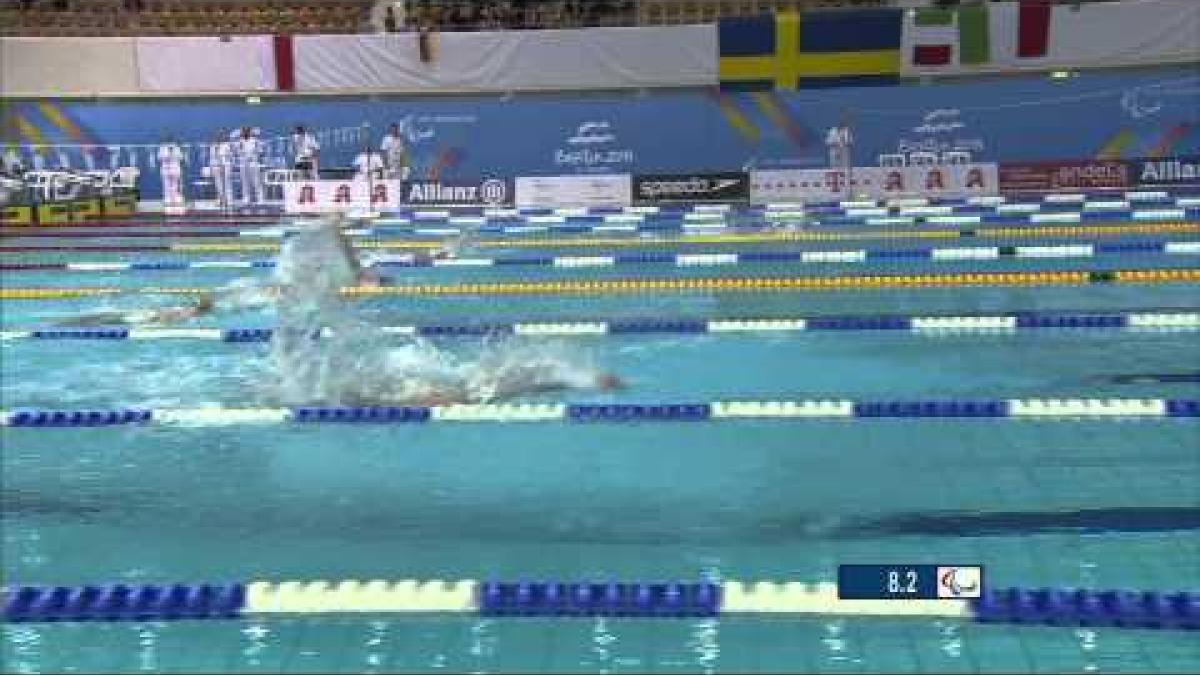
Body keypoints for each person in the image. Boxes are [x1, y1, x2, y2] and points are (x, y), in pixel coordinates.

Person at [57, 295, 216, 328]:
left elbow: (163, 321)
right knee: (101, 318)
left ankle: (63, 324)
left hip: (141, 318)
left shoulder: (187, 314)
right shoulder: (188, 311)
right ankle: (64, 323)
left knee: (102, 321)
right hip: (141, 315)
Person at [235, 126, 264, 206]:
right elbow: (237, 152)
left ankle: (260, 198)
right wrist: (240, 148)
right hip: (243, 163)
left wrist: (255, 155)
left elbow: (261, 151)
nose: (245, 133)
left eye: (246, 131)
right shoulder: (239, 142)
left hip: (253, 163)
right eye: (243, 132)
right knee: (245, 181)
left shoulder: (255, 141)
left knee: (256, 181)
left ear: (250, 132)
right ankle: (246, 198)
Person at [156, 136, 185, 210]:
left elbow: (181, 157)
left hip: (175, 168)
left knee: (175, 185)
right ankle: (167, 199)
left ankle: (175, 199)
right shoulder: (162, 148)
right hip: (165, 169)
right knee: (166, 185)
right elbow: (159, 157)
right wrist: (168, 156)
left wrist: (173, 155)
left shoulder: (177, 147)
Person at [207, 129, 233, 210]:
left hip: (225, 165)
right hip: (216, 165)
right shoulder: (212, 146)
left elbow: (229, 156)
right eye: (218, 135)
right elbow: (211, 157)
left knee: (227, 183)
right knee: (218, 184)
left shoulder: (227, 145)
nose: (219, 137)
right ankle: (221, 199)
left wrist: (224, 161)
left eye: (221, 135)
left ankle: (229, 200)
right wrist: (211, 167)